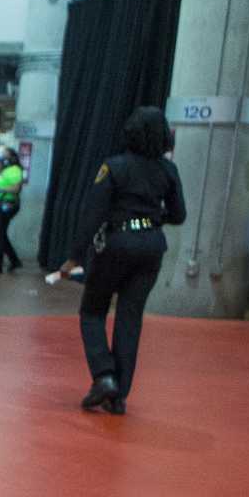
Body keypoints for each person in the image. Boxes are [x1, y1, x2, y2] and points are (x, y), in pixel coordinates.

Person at [50, 106, 186, 415]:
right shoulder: (169, 171)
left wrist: (74, 257)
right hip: (151, 245)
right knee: (130, 318)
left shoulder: (114, 167)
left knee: (93, 311)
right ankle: (119, 395)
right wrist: (151, 219)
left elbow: (92, 214)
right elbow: (179, 215)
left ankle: (104, 376)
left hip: (116, 245)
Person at [0, 146, 25, 273]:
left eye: (4, 156)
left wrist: (0, 190)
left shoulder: (15, 170)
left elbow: (16, 188)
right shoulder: (3, 172)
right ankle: (14, 260)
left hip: (7, 204)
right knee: (0, 234)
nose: (1, 158)